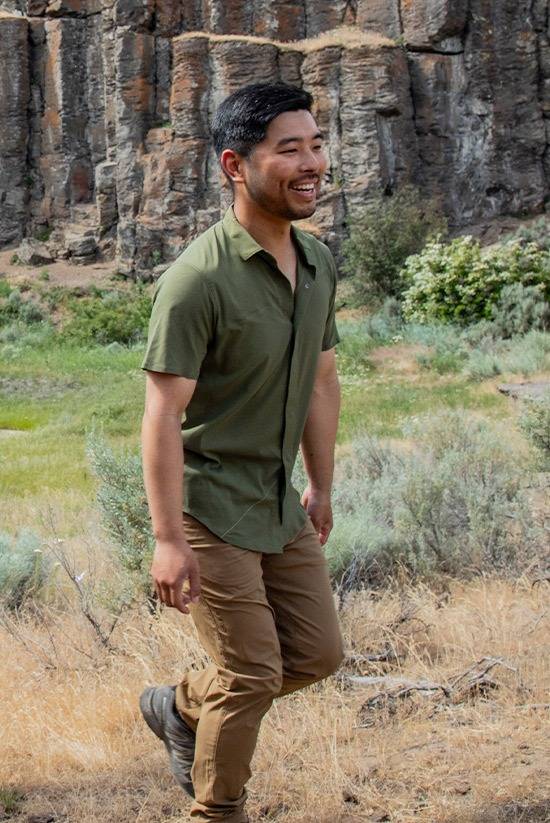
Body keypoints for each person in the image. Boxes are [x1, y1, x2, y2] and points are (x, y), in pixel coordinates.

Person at [139, 82, 344, 823]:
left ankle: (182, 704)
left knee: (318, 655)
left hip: (276, 497)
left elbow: (322, 380)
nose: (311, 161)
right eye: (288, 149)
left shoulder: (317, 262)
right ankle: (216, 811)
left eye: (316, 144)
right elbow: (163, 413)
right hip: (208, 505)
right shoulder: (198, 280)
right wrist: (167, 539)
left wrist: (320, 484)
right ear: (236, 164)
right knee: (254, 671)